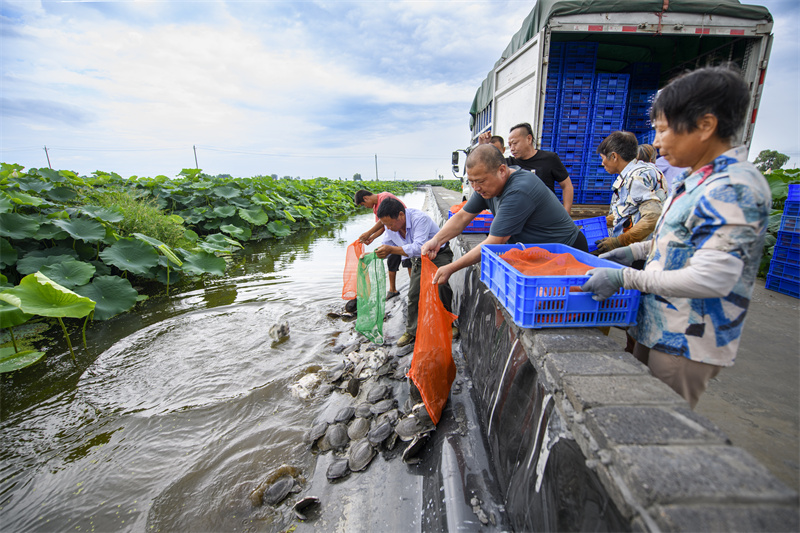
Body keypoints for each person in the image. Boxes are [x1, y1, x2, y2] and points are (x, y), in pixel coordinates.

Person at [581, 66, 771, 409]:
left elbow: (713, 276)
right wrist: (634, 250)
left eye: (663, 130)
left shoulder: (733, 188)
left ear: (705, 125)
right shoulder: (697, 179)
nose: (656, 142)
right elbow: (676, 242)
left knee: (657, 424)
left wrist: (624, 276)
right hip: (658, 325)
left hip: (685, 336)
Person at [423, 144, 587, 287]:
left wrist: (451, 268)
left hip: (566, 253)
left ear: (502, 170)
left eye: (479, 181)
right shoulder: (489, 186)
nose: (476, 187)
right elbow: (462, 217)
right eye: (472, 181)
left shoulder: (519, 190)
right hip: (540, 254)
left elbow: (495, 242)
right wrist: (436, 240)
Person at [375, 197, 453, 347]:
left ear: (401, 215)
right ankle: (411, 331)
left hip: (438, 254)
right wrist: (374, 254)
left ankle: (449, 324)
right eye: (385, 225)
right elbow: (387, 244)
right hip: (418, 259)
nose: (388, 228)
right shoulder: (389, 227)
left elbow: (419, 247)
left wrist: (391, 250)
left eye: (390, 224)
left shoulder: (419, 219)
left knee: (441, 286)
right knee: (414, 295)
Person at [594, 131, 667, 254]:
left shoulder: (636, 177)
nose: (602, 164)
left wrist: (619, 241)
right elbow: (630, 211)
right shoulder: (642, 170)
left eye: (603, 158)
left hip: (639, 252)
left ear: (614, 156)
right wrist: (601, 222)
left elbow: (652, 217)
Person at [480, 122, 574, 214]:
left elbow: (567, 186)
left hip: (546, 217)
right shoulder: (508, 164)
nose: (512, 148)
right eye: (510, 145)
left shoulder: (550, 159)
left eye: (515, 143)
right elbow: (484, 168)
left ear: (529, 139)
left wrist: (566, 213)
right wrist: (483, 146)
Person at [354, 189, 412, 299]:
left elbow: (383, 222)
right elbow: (384, 226)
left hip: (402, 231)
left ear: (366, 198)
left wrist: (369, 233)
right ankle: (392, 289)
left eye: (363, 204)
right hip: (392, 234)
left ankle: (414, 288)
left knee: (408, 260)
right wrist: (371, 238)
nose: (365, 207)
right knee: (392, 261)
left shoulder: (385, 198)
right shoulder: (376, 208)